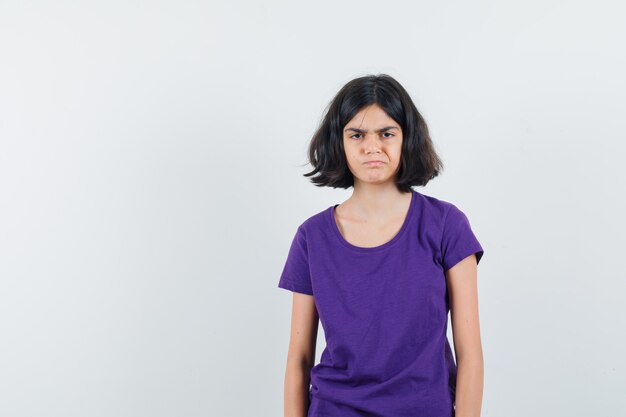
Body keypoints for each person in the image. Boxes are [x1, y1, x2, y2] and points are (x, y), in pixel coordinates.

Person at [277, 74, 485, 417]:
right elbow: (299, 357)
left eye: (386, 133)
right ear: (339, 142)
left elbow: (470, 352)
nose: (372, 147)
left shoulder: (447, 225)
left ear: (407, 139)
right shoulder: (311, 238)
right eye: (356, 134)